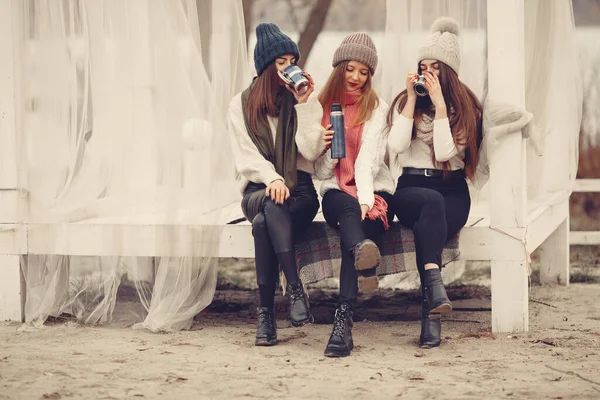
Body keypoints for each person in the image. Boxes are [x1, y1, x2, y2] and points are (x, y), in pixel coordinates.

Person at [295, 33, 395, 357]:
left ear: (370, 76)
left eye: (364, 72)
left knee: (356, 218)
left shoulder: (377, 108)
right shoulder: (323, 107)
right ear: (340, 68)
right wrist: (328, 149)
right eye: (351, 69)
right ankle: (363, 258)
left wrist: (367, 200)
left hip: (374, 191)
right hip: (337, 190)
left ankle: (343, 323)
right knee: (348, 214)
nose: (356, 77)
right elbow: (322, 173)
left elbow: (368, 163)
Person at [386, 17, 483, 348]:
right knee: (430, 203)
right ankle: (433, 303)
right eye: (423, 66)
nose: (427, 74)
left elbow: (445, 152)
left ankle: (432, 309)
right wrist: (412, 102)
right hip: (411, 189)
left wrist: (441, 105)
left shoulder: (465, 110)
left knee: (438, 206)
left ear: (449, 73)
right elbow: (396, 146)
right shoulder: (406, 103)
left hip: (452, 189)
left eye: (435, 68)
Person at [226, 23, 324, 346]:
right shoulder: (239, 106)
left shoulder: (301, 101)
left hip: (300, 195)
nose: (288, 68)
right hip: (257, 192)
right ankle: (295, 290)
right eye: (281, 62)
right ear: (267, 67)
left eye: (291, 61)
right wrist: (273, 178)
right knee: (268, 204)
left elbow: (311, 152)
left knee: (261, 225)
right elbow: (246, 158)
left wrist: (306, 105)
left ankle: (266, 317)